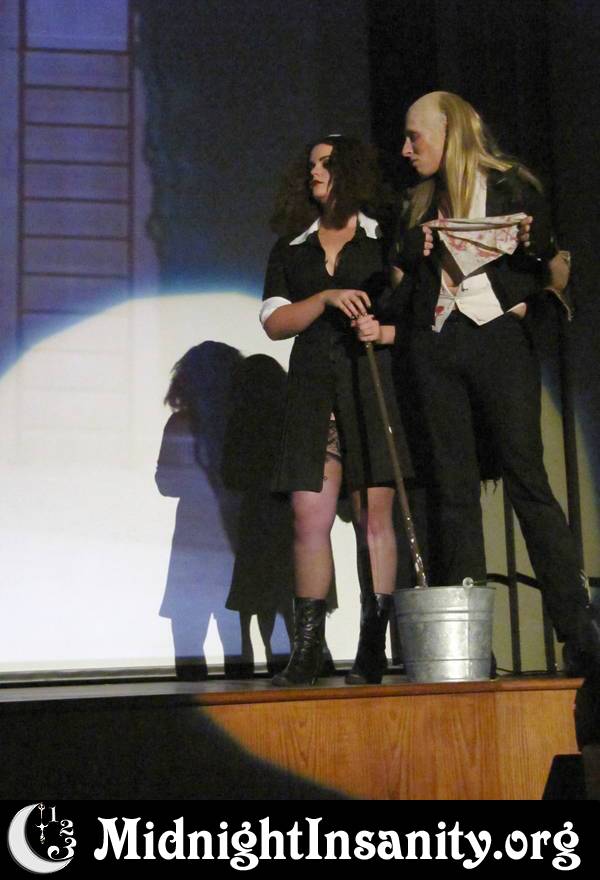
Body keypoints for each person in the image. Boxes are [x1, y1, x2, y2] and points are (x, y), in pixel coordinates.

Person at [383, 91, 599, 680]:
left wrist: (534, 252)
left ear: (448, 130)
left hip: (497, 340)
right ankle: (469, 646)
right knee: (452, 489)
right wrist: (407, 254)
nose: (406, 150)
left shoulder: (511, 187)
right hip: (435, 346)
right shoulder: (414, 203)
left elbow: (550, 269)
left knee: (528, 481)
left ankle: (579, 633)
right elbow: (398, 293)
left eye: (415, 137)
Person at [261, 135, 412, 686]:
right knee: (309, 516)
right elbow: (274, 323)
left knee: (374, 517)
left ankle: (373, 643)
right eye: (311, 165)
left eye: (325, 164)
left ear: (350, 171)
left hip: (369, 385)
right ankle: (307, 649)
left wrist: (383, 331)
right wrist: (324, 298)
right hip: (311, 392)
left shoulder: (383, 239)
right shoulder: (292, 247)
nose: (315, 173)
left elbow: (417, 317)